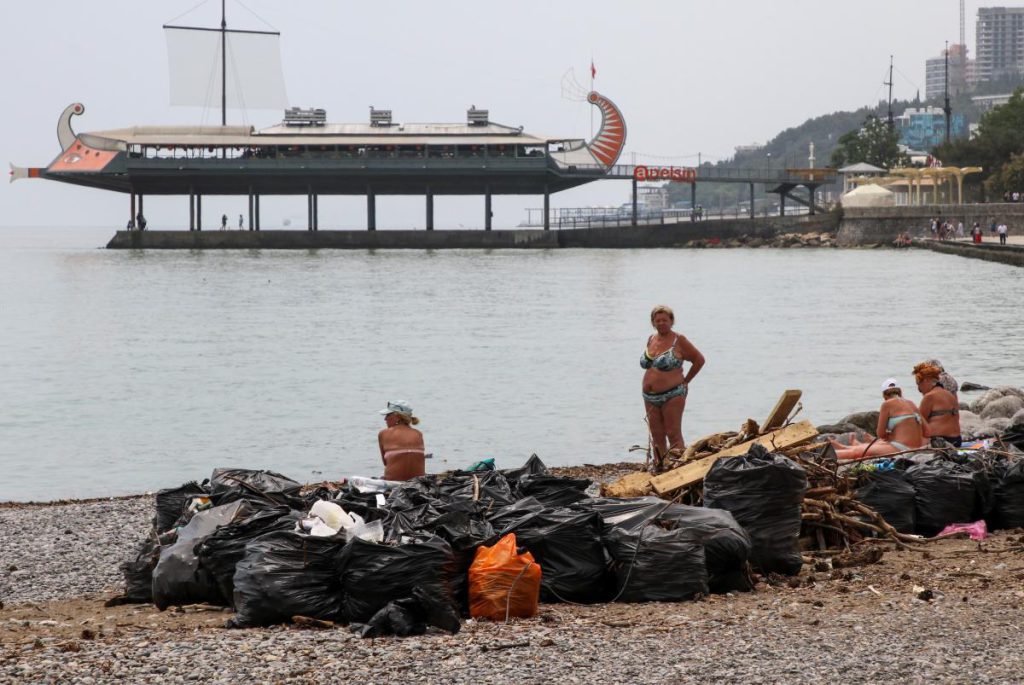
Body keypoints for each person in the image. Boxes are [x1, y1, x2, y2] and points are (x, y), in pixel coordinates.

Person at [640, 305, 705, 473]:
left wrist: (686, 381)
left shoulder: (679, 340)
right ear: (653, 322)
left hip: (673, 394)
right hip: (650, 396)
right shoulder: (651, 339)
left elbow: (699, 360)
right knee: (656, 434)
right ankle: (660, 469)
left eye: (665, 320)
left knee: (673, 433)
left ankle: (680, 471)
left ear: (671, 321)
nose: (661, 323)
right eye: (658, 320)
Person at [829, 379, 927, 460]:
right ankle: (845, 447)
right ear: (900, 392)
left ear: (884, 395)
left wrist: (890, 435)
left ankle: (828, 456)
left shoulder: (887, 404)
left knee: (858, 452)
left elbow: (880, 433)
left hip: (904, 448)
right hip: (914, 446)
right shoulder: (911, 403)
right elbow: (927, 430)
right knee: (880, 443)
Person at [914, 363, 962, 447]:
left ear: (926, 380)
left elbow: (919, 425)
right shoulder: (950, 395)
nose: (919, 389)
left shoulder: (929, 397)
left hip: (939, 442)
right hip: (957, 440)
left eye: (918, 384)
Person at [377, 400, 426, 481]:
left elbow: (386, 463)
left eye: (388, 415)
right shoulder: (418, 434)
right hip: (417, 483)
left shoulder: (383, 433)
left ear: (397, 416)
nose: (385, 419)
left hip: (394, 483)